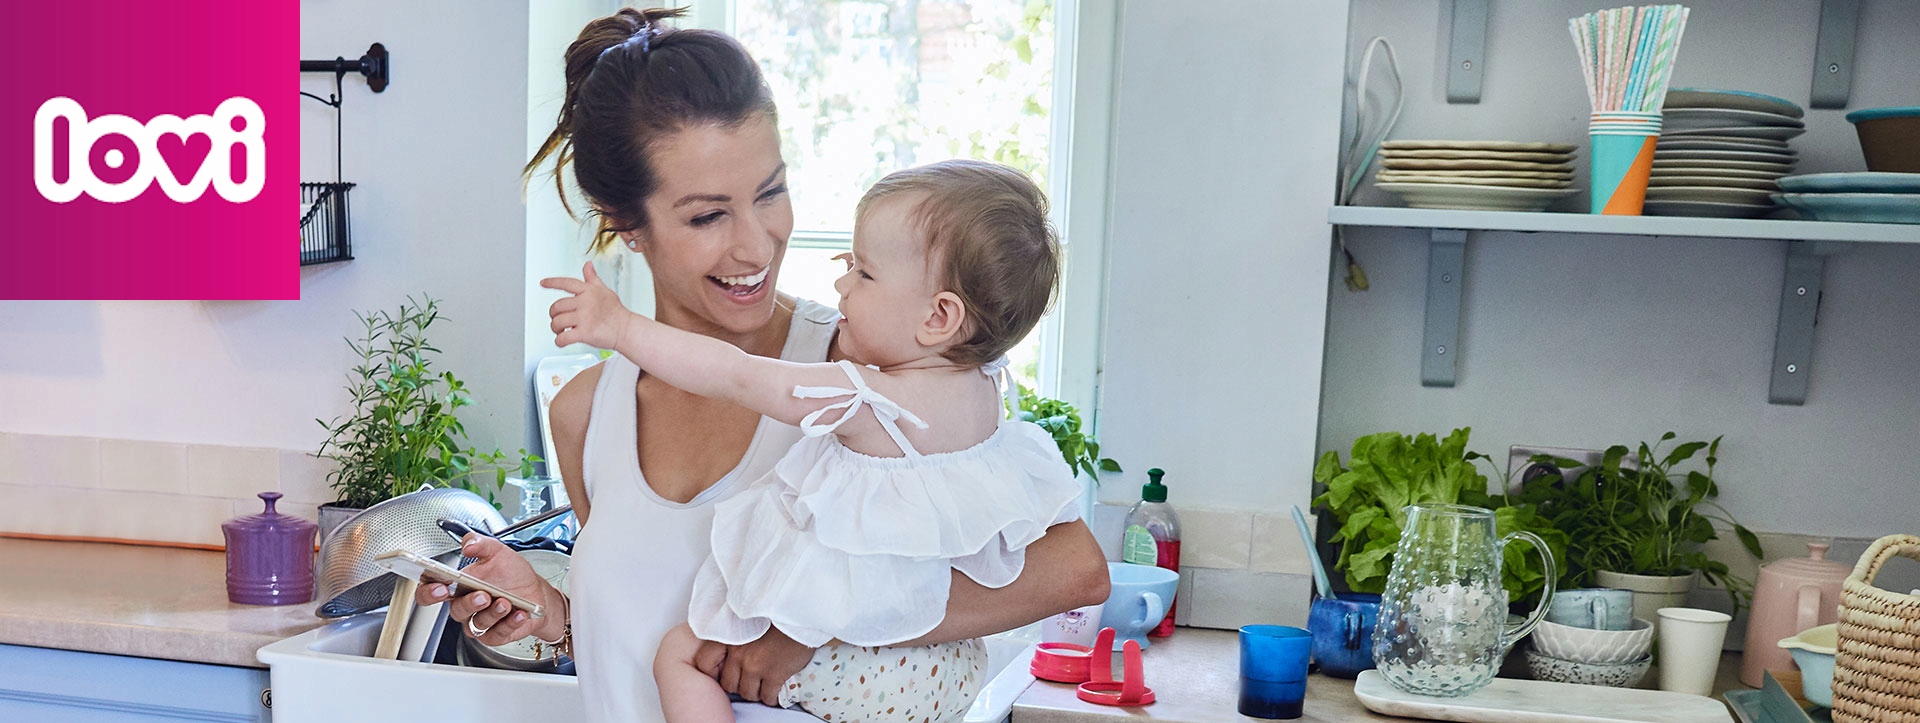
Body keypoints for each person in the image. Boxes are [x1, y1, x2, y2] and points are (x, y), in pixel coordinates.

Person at [415, 9, 1111, 723]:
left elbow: (1074, 567)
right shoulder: (586, 413)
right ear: (625, 222)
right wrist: (548, 612)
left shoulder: (870, 369)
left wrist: (812, 627)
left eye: (770, 192)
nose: (757, 245)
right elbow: (645, 636)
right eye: (708, 216)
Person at [544, 159, 1081, 723]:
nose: (840, 284)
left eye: (864, 274)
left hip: (868, 666)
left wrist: (622, 328)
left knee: (681, 653)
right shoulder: (986, 392)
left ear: (939, 317)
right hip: (946, 667)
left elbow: (736, 374)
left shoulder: (868, 401)